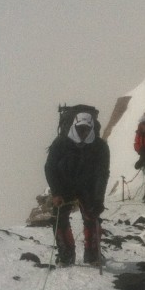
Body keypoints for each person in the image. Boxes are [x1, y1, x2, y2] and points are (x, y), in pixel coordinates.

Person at [44, 107, 110, 265]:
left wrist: (98, 199)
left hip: (84, 187)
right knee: (59, 218)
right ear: (74, 126)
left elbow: (102, 174)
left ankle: (83, 255)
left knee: (90, 217)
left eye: (87, 129)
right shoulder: (63, 142)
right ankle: (76, 255)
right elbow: (49, 168)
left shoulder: (99, 146)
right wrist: (56, 193)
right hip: (66, 186)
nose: (84, 132)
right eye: (81, 129)